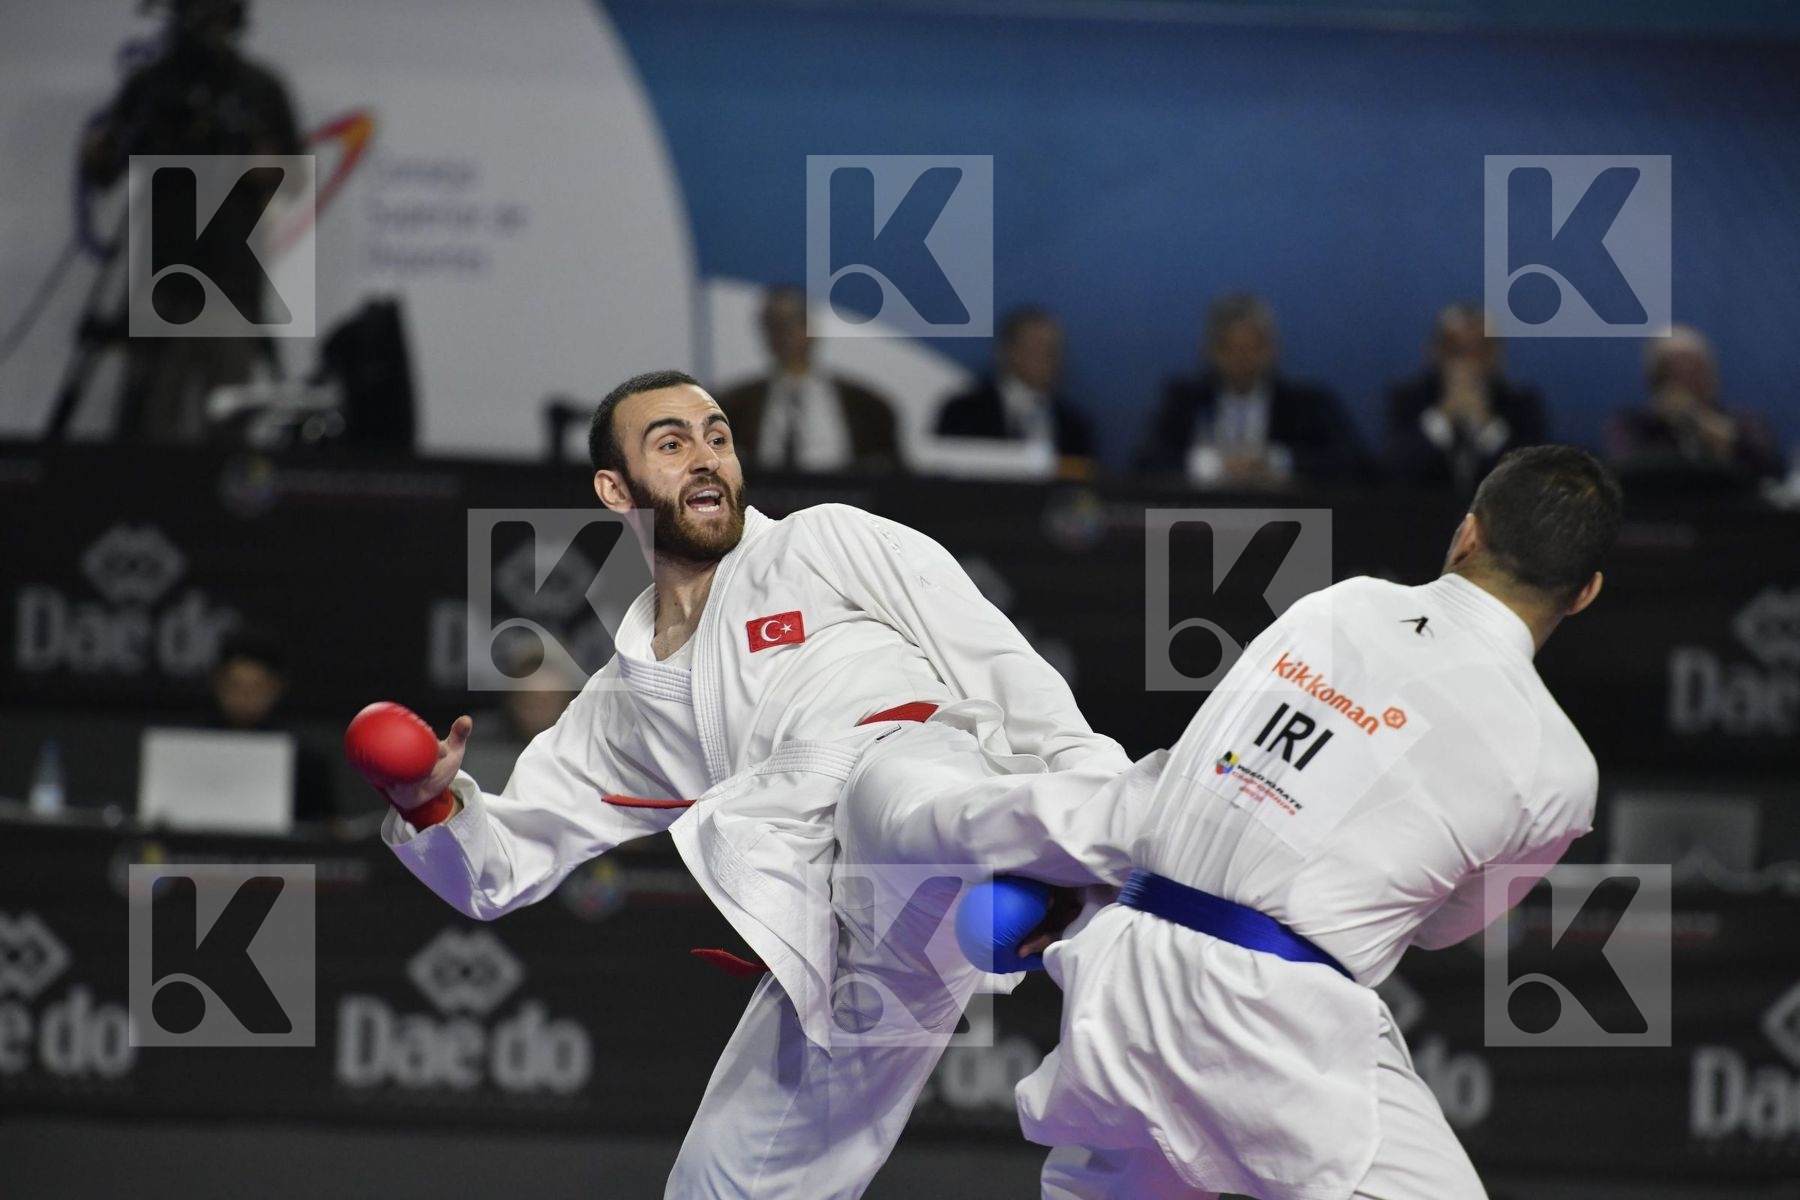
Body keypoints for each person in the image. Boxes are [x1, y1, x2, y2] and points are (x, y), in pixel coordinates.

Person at [370, 370, 1134, 1197]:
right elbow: (506, 860)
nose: (705, 459)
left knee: (901, 804)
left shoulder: (824, 542)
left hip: (912, 768)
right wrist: (430, 805)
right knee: (718, 1181)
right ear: (614, 487)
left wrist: (1096, 786)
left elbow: (1006, 668)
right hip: (834, 930)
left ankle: (1150, 835)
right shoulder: (626, 705)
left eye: (718, 438)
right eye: (672, 443)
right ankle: (1072, 866)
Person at [842, 445, 1623, 1198]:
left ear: (1469, 532)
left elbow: (1197, 784)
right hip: (1273, 1026)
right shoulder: (1559, 771)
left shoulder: (1339, 602)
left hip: (1129, 974)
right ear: (1585, 592)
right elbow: (1437, 926)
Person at [78, 0, 305, 443]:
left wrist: (252, 164)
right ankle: (140, 512)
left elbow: (294, 180)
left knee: (225, 433)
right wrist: (96, 152)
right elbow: (106, 168)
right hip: (161, 282)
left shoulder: (260, 88)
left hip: (232, 284)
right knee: (147, 428)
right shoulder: (152, 85)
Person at [1137, 292, 1364, 486]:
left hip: (1289, 523)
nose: (1243, 359)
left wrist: (1275, 462)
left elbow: (1355, 462)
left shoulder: (1307, 404)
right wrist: (1214, 465)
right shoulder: (1185, 399)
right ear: (1209, 351)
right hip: (1201, 523)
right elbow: (1144, 460)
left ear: (1273, 349)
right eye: (1230, 348)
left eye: (1254, 347)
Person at [713, 286, 903, 472]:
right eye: (773, 326)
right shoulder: (734, 406)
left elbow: (891, 475)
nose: (783, 335)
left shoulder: (867, 407)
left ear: (811, 327)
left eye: (792, 323)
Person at [1386, 303, 1547, 491]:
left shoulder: (1521, 405)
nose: (1467, 363)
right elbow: (1393, 469)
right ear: (1435, 352)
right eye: (1457, 350)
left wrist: (1487, 425)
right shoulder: (1407, 400)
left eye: (1478, 351)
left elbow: (1532, 476)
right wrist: (1442, 418)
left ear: (1496, 355)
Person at [935, 306, 1099, 478]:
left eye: (1056, 349)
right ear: (1006, 352)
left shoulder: (1075, 428)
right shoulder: (962, 413)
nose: (1051, 358)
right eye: (1039, 347)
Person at [1606, 325, 1784, 482]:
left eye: (1695, 373)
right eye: (1674, 373)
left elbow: (1772, 471)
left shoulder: (1744, 424)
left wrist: (1724, 441)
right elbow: (1624, 467)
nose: (1687, 383)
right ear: (1655, 381)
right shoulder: (1632, 424)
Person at [207, 626, 335, 826]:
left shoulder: (306, 760)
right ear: (218, 683)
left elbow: (328, 829)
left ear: (276, 687)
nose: (245, 698)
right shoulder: (188, 748)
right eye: (235, 685)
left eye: (256, 688)